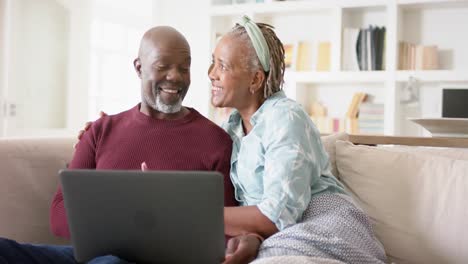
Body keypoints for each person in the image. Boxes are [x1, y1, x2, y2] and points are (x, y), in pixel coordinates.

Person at [0, 26, 254, 264]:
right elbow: (58, 214)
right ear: (139, 67)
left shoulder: (215, 141)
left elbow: (224, 230)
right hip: (90, 256)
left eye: (184, 68)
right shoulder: (100, 131)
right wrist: (127, 216)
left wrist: (250, 240)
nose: (175, 77)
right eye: (163, 66)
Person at [206, 16, 388, 263]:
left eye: (222, 66)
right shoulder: (231, 129)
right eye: (212, 63)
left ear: (256, 79)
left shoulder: (285, 117)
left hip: (326, 222)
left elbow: (277, 215)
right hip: (283, 232)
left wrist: (199, 215)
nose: (211, 74)